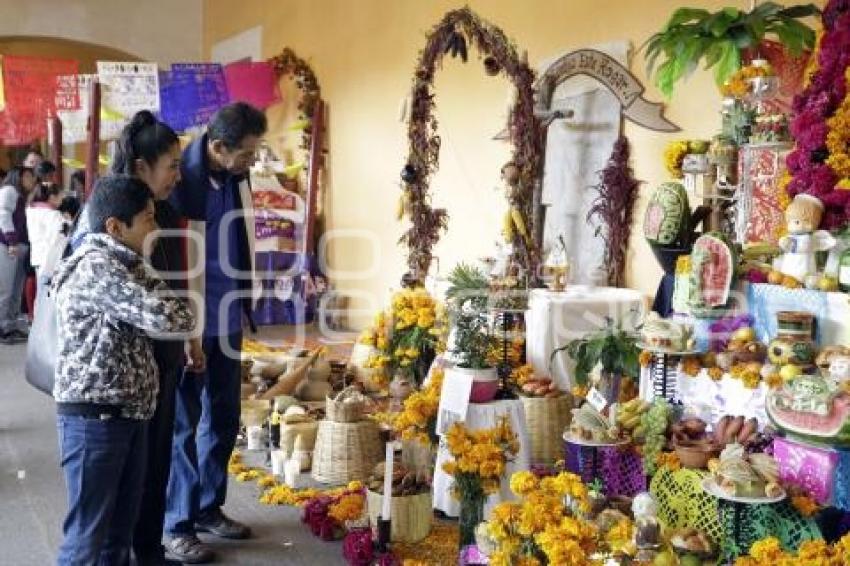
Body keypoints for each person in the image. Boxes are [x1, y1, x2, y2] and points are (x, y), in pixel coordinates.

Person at [52, 175, 196, 565]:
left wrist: (168, 301)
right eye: (147, 219)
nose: (156, 227)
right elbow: (169, 316)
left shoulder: (128, 263)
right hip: (95, 421)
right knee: (86, 542)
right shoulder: (97, 268)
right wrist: (168, 303)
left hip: (126, 415)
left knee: (117, 540)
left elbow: (180, 311)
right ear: (115, 227)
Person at [164, 102, 266, 564]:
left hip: (226, 317)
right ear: (219, 146)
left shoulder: (233, 175)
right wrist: (183, 327)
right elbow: (170, 259)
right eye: (246, 154)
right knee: (184, 424)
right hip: (192, 321)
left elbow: (239, 240)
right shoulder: (179, 181)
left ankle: (208, 507)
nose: (252, 162)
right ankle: (177, 524)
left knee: (224, 416)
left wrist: (245, 301)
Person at [110, 109, 206, 566]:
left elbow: (178, 277)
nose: (177, 175)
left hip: (164, 358)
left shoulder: (167, 211)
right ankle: (125, 553)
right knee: (128, 472)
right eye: (171, 165)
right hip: (126, 369)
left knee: (156, 462)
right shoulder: (110, 215)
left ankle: (149, 551)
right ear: (141, 167)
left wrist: (190, 335)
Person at [0, 166, 37, 344]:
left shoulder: (21, 195)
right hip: (8, 245)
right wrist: (11, 240)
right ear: (18, 177)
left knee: (15, 289)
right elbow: (3, 215)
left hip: (20, 245)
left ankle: (11, 326)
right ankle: (2, 328)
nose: (32, 179)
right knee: (6, 289)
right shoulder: (9, 191)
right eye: (28, 176)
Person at [26, 183, 65, 277]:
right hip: (50, 260)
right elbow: (55, 239)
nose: (62, 201)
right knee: (46, 289)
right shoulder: (53, 214)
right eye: (60, 197)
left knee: (40, 289)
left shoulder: (31, 211)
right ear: (52, 197)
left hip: (37, 256)